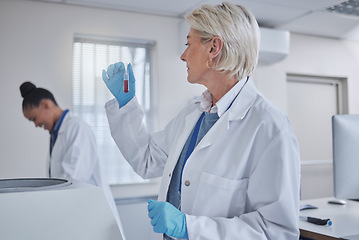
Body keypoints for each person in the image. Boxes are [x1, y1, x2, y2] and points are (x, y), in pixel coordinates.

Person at [102, 2, 300, 240]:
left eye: (188, 43)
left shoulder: (269, 127)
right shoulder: (193, 113)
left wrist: (189, 228)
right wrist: (126, 105)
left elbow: (276, 231)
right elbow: (148, 160)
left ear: (214, 47)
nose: (183, 55)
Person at [19, 81, 126, 239]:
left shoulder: (77, 128)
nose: (35, 125)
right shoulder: (56, 134)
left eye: (34, 118)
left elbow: (72, 180)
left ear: (46, 105)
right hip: (76, 213)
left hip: (92, 213)